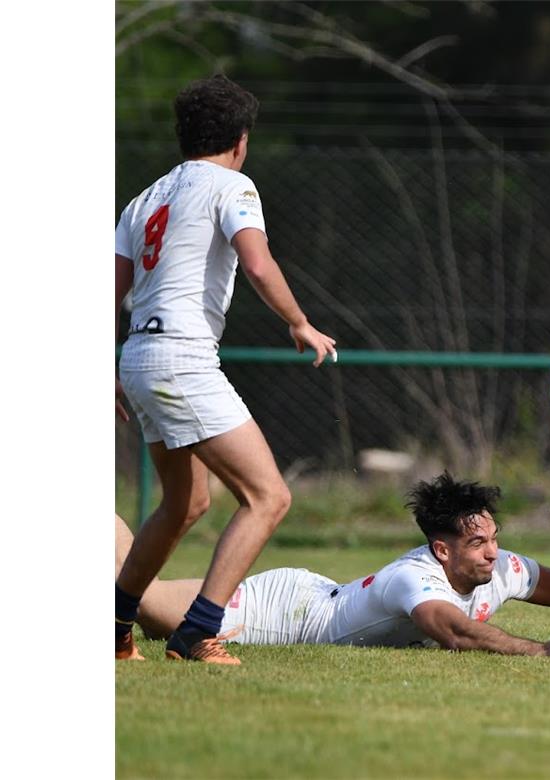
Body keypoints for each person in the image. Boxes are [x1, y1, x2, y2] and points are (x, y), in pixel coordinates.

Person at [115, 74, 338, 665]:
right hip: (183, 359)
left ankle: (113, 628)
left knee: (184, 504)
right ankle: (196, 632)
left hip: (138, 355)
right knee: (268, 497)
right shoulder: (233, 185)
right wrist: (299, 322)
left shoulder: (144, 198)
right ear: (241, 141)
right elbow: (258, 264)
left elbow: (111, 290)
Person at [116, 475, 550, 657]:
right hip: (276, 614)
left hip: (313, 593)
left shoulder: (499, 566)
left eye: (494, 538)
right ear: (442, 550)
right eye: (478, 543)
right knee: (147, 604)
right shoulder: (414, 578)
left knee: (136, 599)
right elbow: (456, 633)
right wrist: (541, 649)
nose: (494, 552)